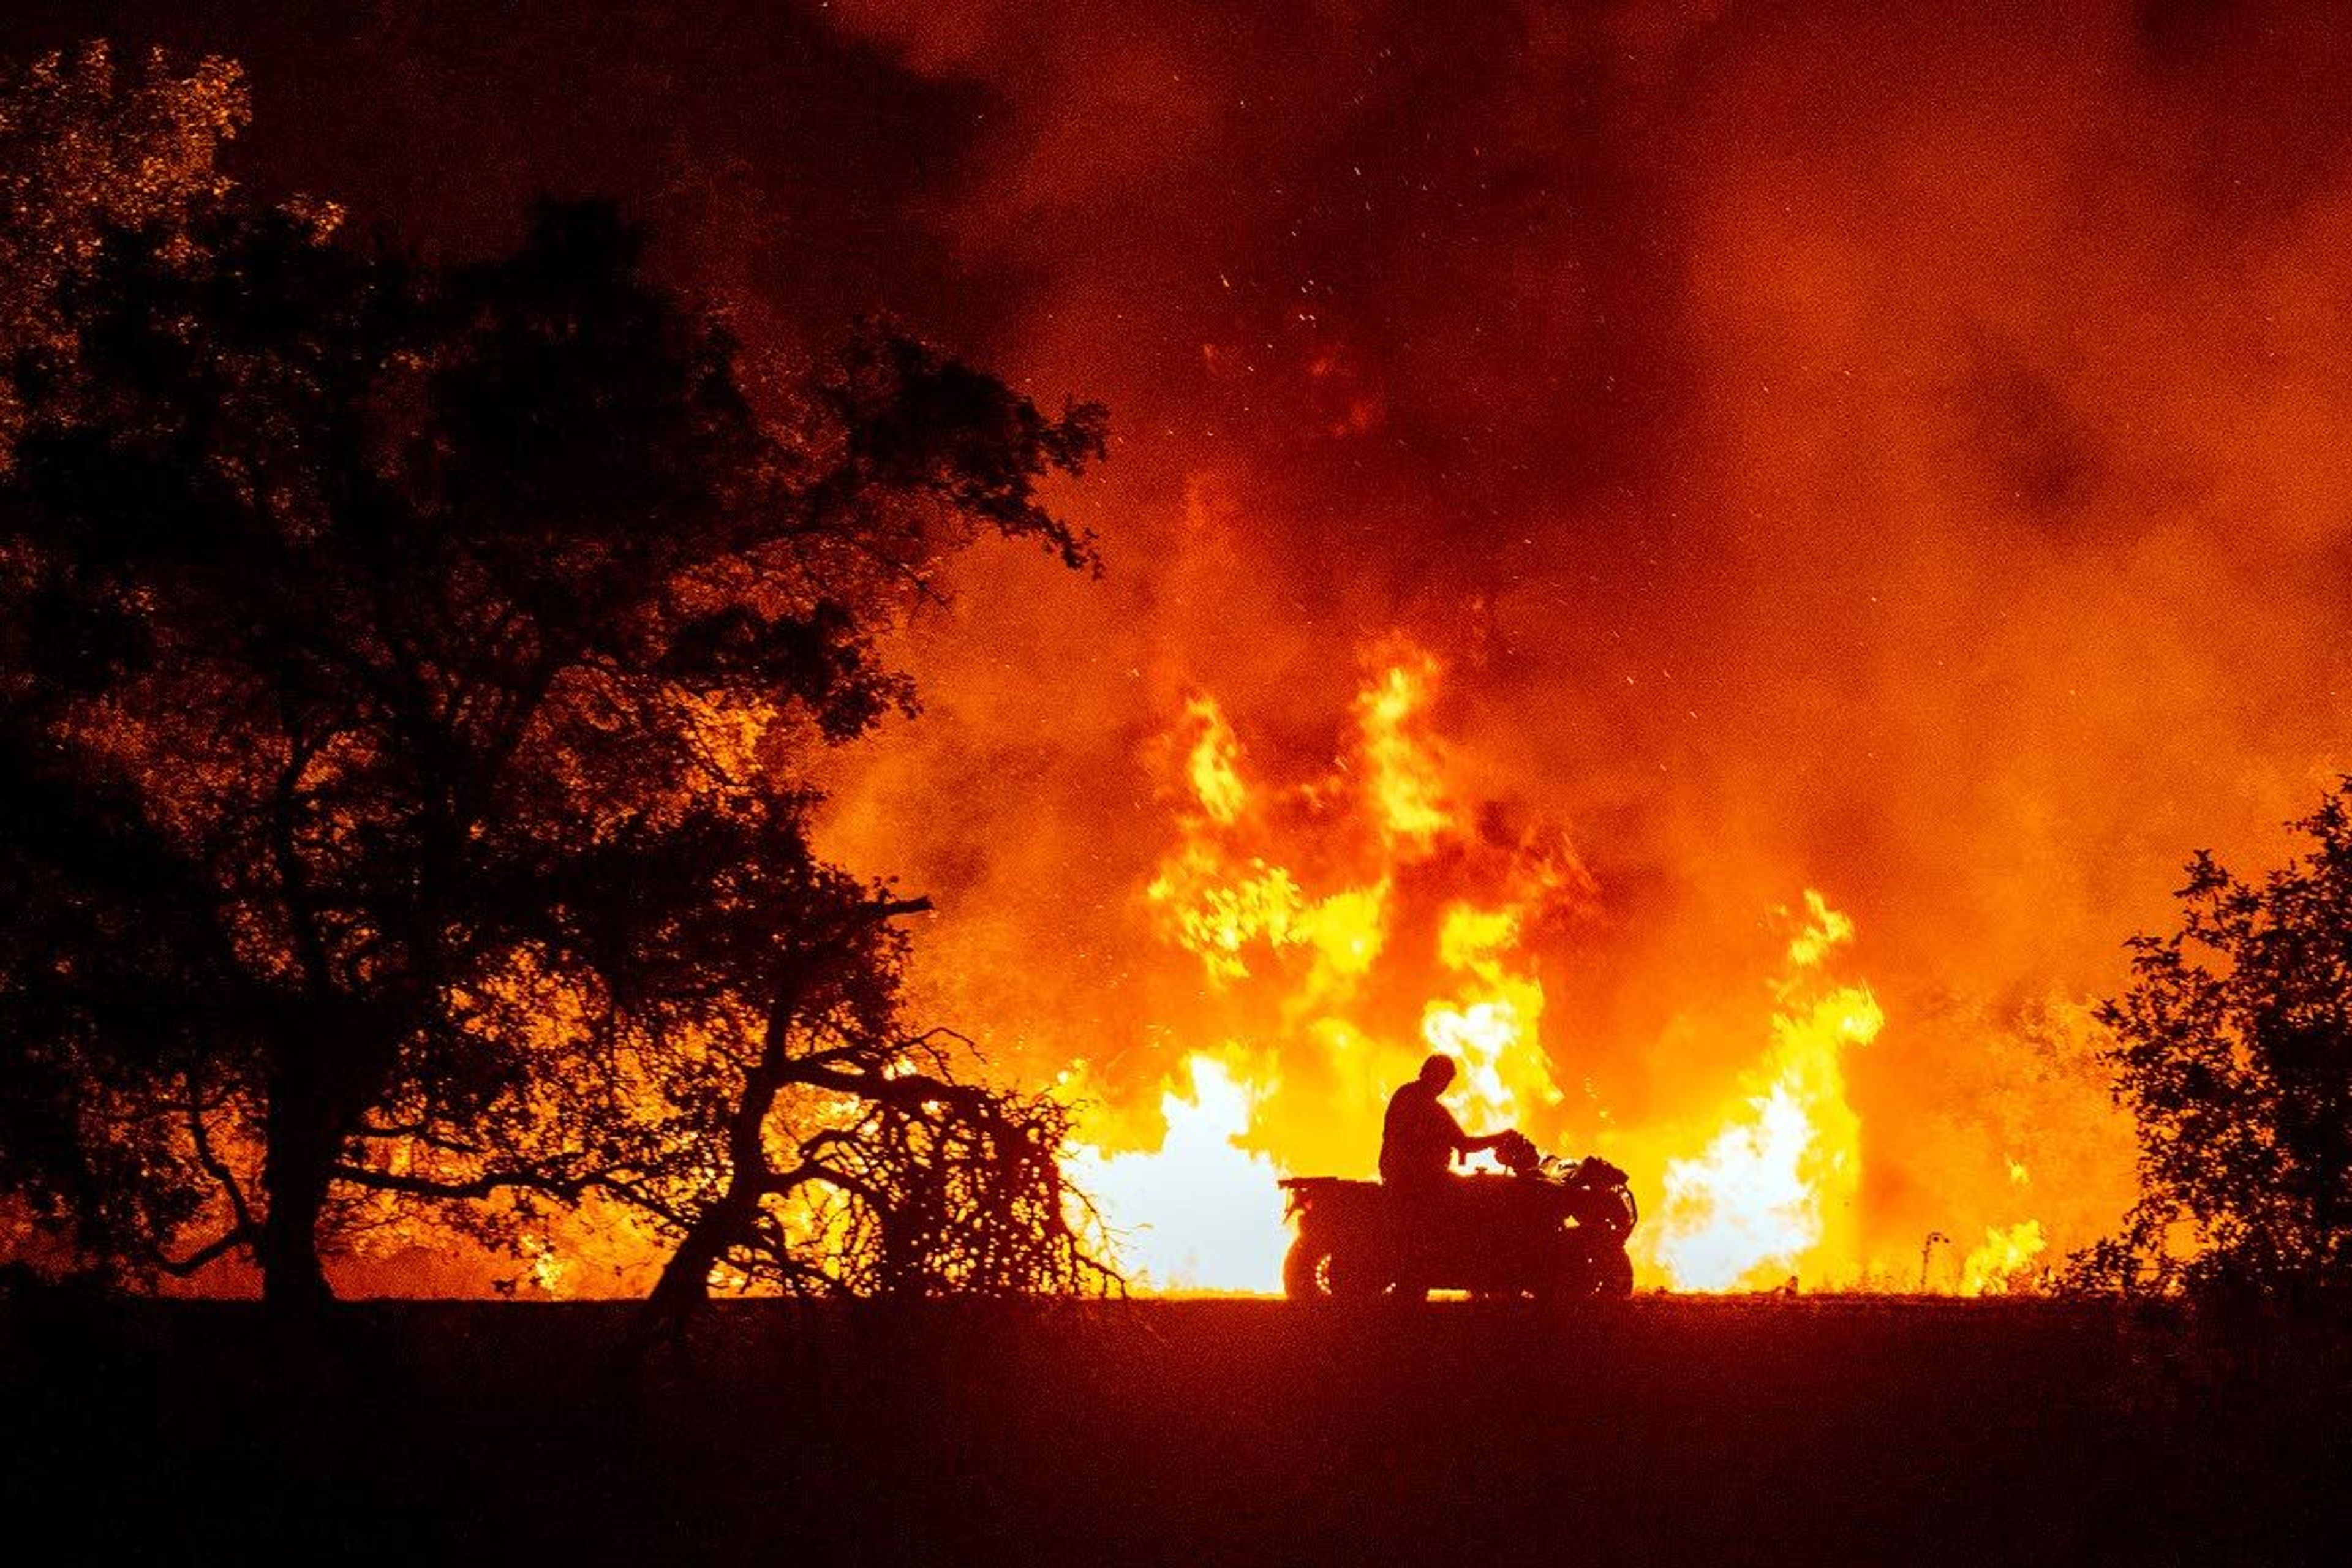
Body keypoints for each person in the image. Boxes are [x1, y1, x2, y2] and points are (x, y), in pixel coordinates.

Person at [1378, 1053, 1515, 1188]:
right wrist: (1498, 1138)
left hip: (1400, 1174)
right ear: (1429, 1074)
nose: (1444, 1086)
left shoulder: (1406, 1093)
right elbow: (1464, 1144)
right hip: (1418, 1179)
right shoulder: (1426, 1106)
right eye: (1443, 1079)